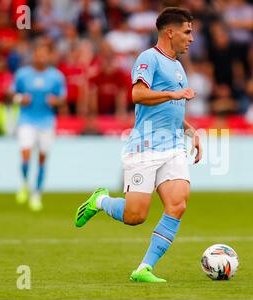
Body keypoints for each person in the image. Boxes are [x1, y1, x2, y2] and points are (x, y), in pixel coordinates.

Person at [74, 7, 202, 283]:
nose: (191, 38)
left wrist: (192, 131)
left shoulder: (178, 66)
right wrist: (172, 92)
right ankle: (100, 200)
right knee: (135, 216)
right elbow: (137, 94)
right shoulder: (148, 58)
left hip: (174, 146)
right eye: (187, 31)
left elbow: (172, 109)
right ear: (170, 32)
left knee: (178, 204)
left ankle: (144, 268)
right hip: (145, 145)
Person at [12, 40, 67, 211]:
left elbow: (63, 98)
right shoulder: (22, 74)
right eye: (38, 53)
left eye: (44, 54)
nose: (41, 57)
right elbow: (12, 95)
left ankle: (36, 194)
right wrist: (21, 99)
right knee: (26, 154)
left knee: (42, 158)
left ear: (49, 56)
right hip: (26, 120)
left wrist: (55, 101)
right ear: (33, 55)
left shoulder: (56, 76)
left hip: (46, 122)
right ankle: (24, 184)